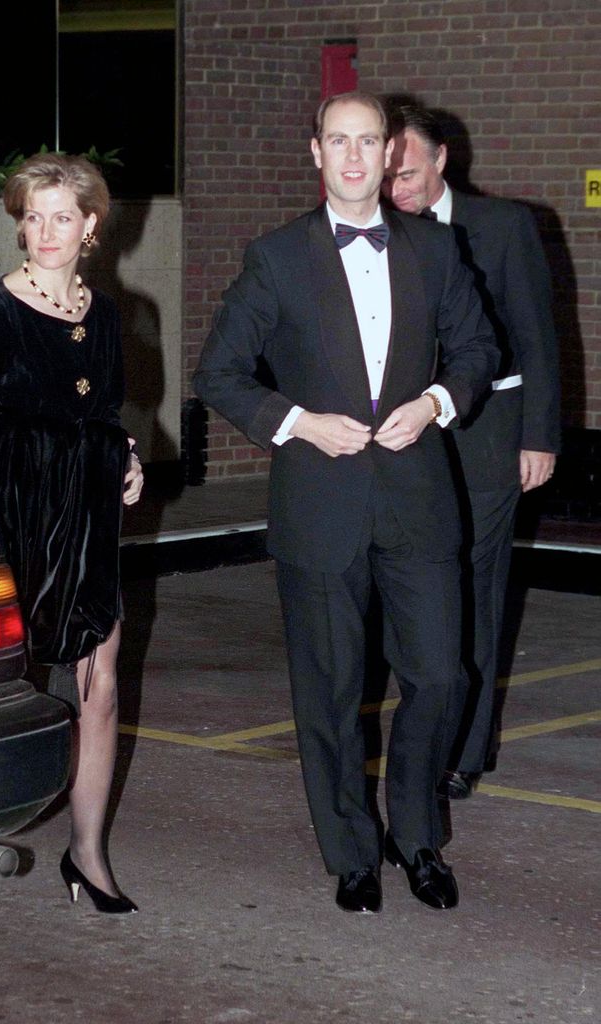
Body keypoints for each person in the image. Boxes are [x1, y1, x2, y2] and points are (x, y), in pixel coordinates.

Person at [193, 91, 499, 914]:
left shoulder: (436, 250)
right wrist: (294, 422)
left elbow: (476, 349)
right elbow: (218, 371)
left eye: (370, 142)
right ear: (316, 153)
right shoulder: (276, 257)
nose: (356, 157)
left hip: (418, 500)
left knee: (439, 675)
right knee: (327, 690)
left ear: (391, 153)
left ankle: (413, 832)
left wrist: (436, 401)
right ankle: (350, 851)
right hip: (319, 505)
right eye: (340, 141)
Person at [0, 153, 143, 914]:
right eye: (32, 216)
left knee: (102, 689)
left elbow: (105, 416)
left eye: (61, 217)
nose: (44, 231)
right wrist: (57, 451)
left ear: (90, 226)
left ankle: (86, 854)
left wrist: (126, 456)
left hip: (86, 524)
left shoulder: (110, 315)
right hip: (14, 522)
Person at [383, 104, 561, 800]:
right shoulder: (376, 232)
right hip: (408, 432)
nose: (395, 189)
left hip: (488, 430)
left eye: (406, 173)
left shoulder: (504, 226)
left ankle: (463, 749)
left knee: (476, 586)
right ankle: (423, 728)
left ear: (439, 162)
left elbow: (538, 337)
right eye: (387, 176)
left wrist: (538, 436)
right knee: (417, 586)